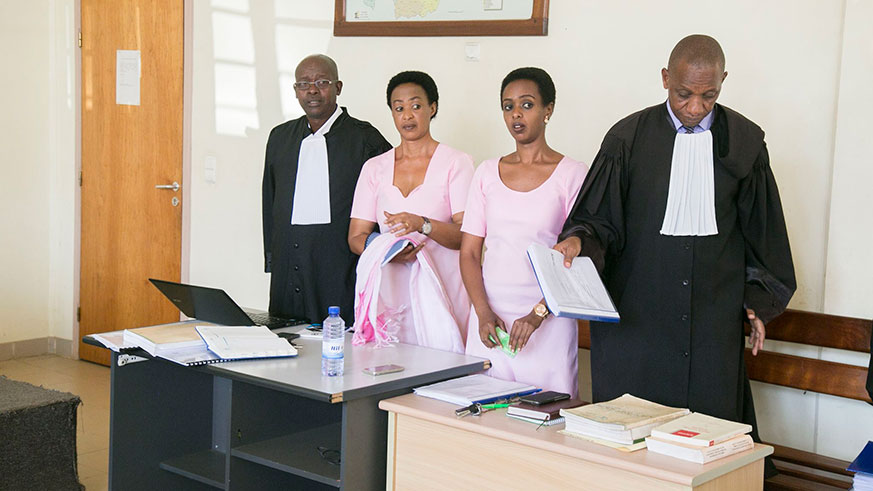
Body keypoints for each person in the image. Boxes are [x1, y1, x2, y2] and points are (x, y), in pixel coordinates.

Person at [555, 35, 796, 444]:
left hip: (711, 321)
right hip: (637, 319)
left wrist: (757, 302)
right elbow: (596, 219)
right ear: (666, 79)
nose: (696, 107)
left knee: (707, 440)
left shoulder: (746, 142)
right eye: (684, 94)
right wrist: (579, 240)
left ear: (723, 81)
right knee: (631, 440)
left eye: (709, 95)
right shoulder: (626, 139)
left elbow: (764, 234)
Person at [460, 67, 588, 397]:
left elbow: (579, 259)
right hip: (491, 321)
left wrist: (536, 315)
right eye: (508, 106)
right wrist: (483, 312)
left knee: (546, 420)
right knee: (481, 415)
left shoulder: (571, 174)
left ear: (549, 110)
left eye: (527, 104)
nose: (516, 114)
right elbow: (470, 253)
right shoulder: (486, 173)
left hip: (549, 320)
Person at [349, 71, 473, 347]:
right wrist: (388, 250)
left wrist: (422, 224)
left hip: (445, 291)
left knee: (443, 371)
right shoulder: (374, 167)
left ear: (432, 108)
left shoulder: (457, 163)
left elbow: (467, 237)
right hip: (390, 294)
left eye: (416, 106)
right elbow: (356, 237)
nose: (407, 115)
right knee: (390, 372)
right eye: (399, 108)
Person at [262, 54, 391, 322]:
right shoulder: (280, 137)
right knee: (287, 336)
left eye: (322, 81)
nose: (312, 90)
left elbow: (387, 201)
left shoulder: (365, 139)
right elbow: (270, 201)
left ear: (338, 88)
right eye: (303, 84)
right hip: (289, 262)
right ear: (295, 91)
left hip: (339, 263)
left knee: (338, 341)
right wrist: (273, 258)